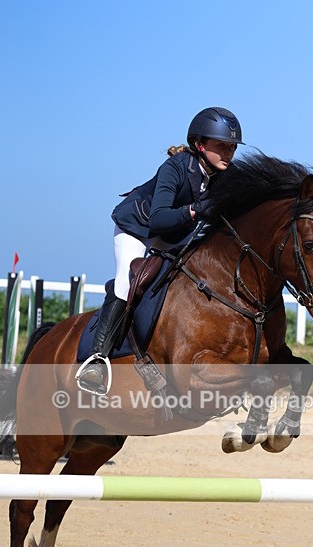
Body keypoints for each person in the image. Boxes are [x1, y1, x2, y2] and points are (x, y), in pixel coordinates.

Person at [77, 106, 244, 394]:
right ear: (200, 144)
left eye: (231, 147)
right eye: (221, 146)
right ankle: (97, 359)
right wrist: (194, 210)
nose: (228, 153)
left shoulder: (226, 175)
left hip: (175, 235)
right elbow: (159, 218)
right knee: (126, 284)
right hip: (139, 228)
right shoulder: (176, 167)